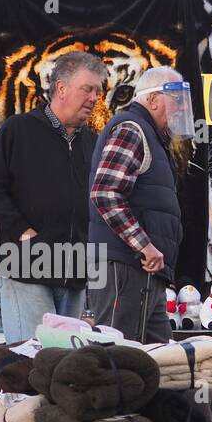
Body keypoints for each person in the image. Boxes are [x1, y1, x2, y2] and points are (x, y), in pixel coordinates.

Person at [0, 51, 106, 342]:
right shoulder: (19, 129)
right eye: (88, 89)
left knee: (62, 365)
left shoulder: (93, 142)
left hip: (74, 270)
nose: (94, 97)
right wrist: (23, 231)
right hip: (26, 265)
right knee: (32, 360)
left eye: (98, 91)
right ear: (61, 88)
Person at [86, 66, 193, 344]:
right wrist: (145, 246)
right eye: (176, 100)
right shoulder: (132, 129)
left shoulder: (153, 137)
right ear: (153, 99)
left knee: (158, 359)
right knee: (116, 355)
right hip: (124, 268)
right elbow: (105, 193)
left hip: (144, 271)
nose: (181, 109)